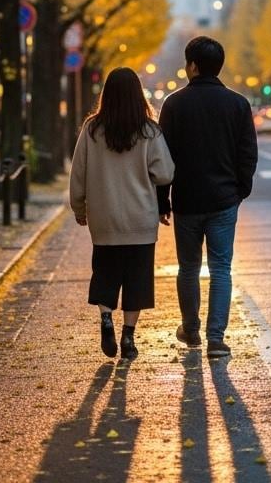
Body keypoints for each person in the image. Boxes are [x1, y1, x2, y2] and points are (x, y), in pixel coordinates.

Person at [157, 36, 258, 359]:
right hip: (224, 199)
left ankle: (191, 330)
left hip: (187, 199)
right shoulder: (237, 104)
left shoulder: (174, 104)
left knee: (188, 268)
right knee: (221, 268)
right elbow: (248, 154)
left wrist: (163, 199)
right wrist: (240, 190)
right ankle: (217, 338)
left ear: (193, 66)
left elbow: (163, 158)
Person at [70, 67, 175, 360]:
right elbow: (165, 172)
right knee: (137, 277)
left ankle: (106, 318)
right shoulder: (149, 131)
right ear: (137, 94)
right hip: (140, 218)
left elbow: (78, 175)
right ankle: (129, 336)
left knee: (105, 270)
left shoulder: (92, 130)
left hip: (104, 219)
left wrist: (80, 208)